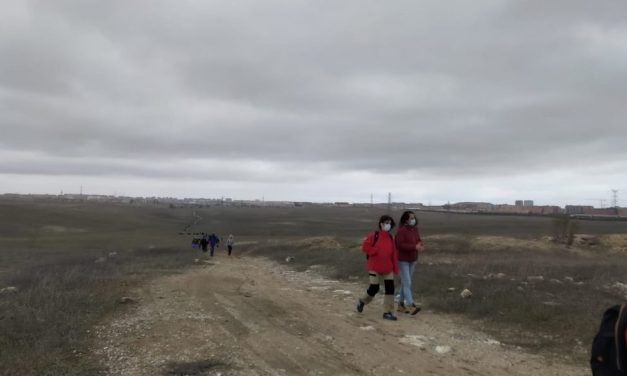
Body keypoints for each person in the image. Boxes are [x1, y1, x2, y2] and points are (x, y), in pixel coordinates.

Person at [356, 215, 399, 321]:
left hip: (387, 268)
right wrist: (374, 251)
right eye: (386, 223)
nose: (388, 225)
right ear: (381, 224)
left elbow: (393, 254)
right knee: (374, 288)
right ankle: (362, 301)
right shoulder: (374, 235)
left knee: (390, 289)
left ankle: (387, 312)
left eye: (389, 223)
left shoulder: (390, 238)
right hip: (374, 267)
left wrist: (395, 268)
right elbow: (365, 247)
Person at [395, 210, 423, 315]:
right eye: (411, 218)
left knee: (405, 283)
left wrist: (420, 245)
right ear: (406, 219)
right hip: (403, 260)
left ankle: (401, 305)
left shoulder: (415, 229)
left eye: (414, 218)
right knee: (407, 282)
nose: (413, 220)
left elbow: (418, 240)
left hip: (413, 259)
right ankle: (411, 305)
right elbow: (399, 245)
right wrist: (413, 247)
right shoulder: (401, 231)